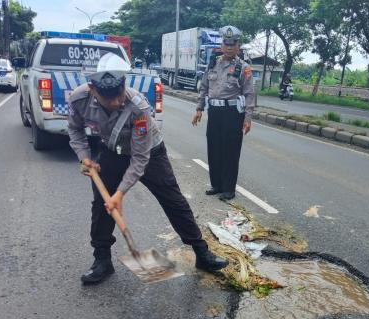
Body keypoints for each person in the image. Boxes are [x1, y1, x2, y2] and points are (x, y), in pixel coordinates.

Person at [68, 53, 228, 285]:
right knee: (102, 207)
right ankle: (102, 259)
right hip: (112, 152)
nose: (114, 103)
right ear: (93, 89)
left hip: (150, 154)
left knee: (174, 201)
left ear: (124, 85)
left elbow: (140, 159)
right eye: (107, 98)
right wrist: (84, 157)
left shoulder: (138, 107)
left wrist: (120, 194)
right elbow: (74, 129)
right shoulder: (78, 99)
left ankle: (202, 253)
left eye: (118, 95)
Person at [191, 25, 255, 201]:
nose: (229, 47)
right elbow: (204, 87)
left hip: (233, 114)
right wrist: (199, 108)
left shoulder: (244, 67)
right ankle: (217, 184)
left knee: (230, 152)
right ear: (221, 44)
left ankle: (229, 189)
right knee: (214, 149)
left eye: (232, 44)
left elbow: (249, 94)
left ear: (238, 45)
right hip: (215, 112)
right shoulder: (213, 63)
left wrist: (247, 118)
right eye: (226, 43)